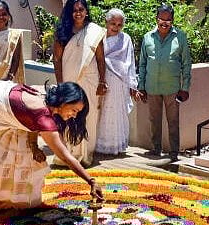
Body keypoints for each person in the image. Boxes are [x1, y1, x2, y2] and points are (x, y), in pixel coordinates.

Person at [0, 81, 103, 207]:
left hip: (4, 108)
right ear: (64, 102)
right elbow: (64, 155)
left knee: (21, 153)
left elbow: (28, 121)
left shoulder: (48, 100)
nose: (74, 115)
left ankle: (20, 199)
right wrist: (91, 181)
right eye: (74, 110)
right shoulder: (44, 117)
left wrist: (34, 146)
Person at [53, 0, 107, 167]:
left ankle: (86, 154)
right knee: (68, 116)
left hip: (90, 80)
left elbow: (100, 58)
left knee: (88, 116)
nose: (78, 13)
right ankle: (68, 154)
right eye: (74, 10)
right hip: (69, 81)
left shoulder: (94, 31)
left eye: (81, 9)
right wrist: (61, 85)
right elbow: (57, 60)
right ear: (70, 12)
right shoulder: (63, 31)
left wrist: (102, 81)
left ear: (86, 11)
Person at [138, 3, 192, 162]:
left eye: (168, 20)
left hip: (172, 88)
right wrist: (141, 86)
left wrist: (185, 88)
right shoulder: (148, 37)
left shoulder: (180, 37)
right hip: (152, 87)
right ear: (156, 19)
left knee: (173, 121)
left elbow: (186, 64)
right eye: (161, 19)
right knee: (154, 120)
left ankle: (174, 152)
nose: (164, 23)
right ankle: (156, 149)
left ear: (172, 20)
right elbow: (142, 63)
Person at [95, 9, 141, 155]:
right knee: (98, 112)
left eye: (119, 24)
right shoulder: (98, 37)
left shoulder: (125, 39)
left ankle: (113, 146)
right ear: (106, 22)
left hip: (118, 82)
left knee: (113, 113)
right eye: (113, 23)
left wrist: (132, 85)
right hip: (100, 79)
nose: (116, 27)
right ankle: (97, 145)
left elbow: (130, 62)